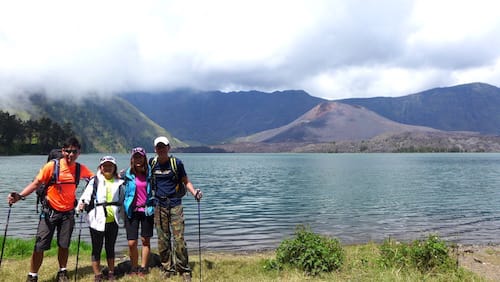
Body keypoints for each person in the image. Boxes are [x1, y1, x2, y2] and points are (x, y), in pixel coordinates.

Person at [7, 137, 94, 282]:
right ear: (63, 151)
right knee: (40, 245)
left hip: (68, 213)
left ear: (79, 152)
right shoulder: (52, 166)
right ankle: (32, 275)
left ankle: (62, 272)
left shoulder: (80, 168)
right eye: (67, 151)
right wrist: (20, 196)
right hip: (49, 212)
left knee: (64, 244)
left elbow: (95, 179)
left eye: (74, 151)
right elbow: (36, 184)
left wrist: (116, 177)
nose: (70, 154)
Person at [150, 136, 203, 282]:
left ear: (168, 148)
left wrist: (195, 193)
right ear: (155, 149)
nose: (161, 149)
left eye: (163, 146)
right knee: (163, 239)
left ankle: (184, 270)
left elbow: (186, 181)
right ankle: (167, 268)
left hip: (175, 205)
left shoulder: (176, 163)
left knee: (179, 239)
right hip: (159, 206)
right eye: (158, 147)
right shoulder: (152, 163)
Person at [77, 156, 124, 281]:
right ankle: (97, 275)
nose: (108, 168)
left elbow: (123, 199)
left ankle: (111, 273)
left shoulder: (119, 182)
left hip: (112, 220)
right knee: (96, 248)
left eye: (110, 166)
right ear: (100, 168)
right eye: (105, 165)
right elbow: (86, 195)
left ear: (114, 168)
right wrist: (82, 204)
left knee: (110, 247)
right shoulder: (95, 181)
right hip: (96, 220)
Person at [122, 147, 155, 276]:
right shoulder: (127, 174)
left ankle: (143, 268)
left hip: (147, 210)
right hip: (131, 210)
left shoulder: (150, 173)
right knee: (132, 242)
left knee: (145, 240)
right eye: (135, 157)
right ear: (132, 159)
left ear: (144, 158)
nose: (138, 159)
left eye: (140, 156)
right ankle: (134, 267)